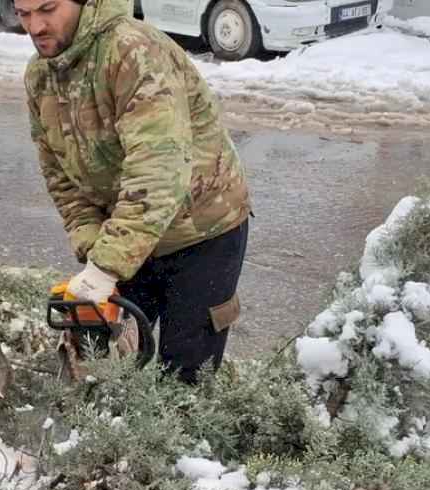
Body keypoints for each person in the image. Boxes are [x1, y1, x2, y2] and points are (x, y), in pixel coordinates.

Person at [16, 0, 253, 383]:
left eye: (47, 8)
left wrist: (106, 266)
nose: (36, 26)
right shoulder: (41, 76)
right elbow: (59, 173)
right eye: (24, 14)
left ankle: (184, 433)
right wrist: (93, 246)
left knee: (184, 376)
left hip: (203, 229)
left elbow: (158, 174)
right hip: (126, 232)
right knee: (102, 356)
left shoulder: (133, 53)